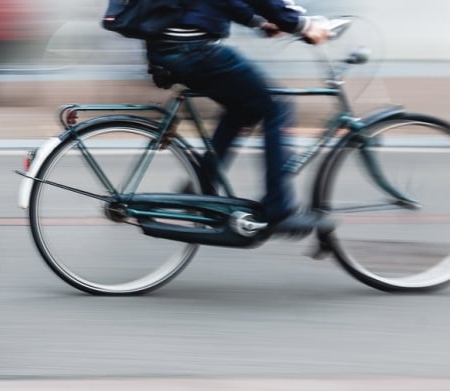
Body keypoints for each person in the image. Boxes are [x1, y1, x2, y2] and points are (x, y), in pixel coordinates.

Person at [143, 0, 335, 237]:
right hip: (193, 47)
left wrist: (259, 21)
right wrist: (302, 24)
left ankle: (201, 187)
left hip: (170, 45)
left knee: (244, 108)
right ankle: (279, 209)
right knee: (275, 107)